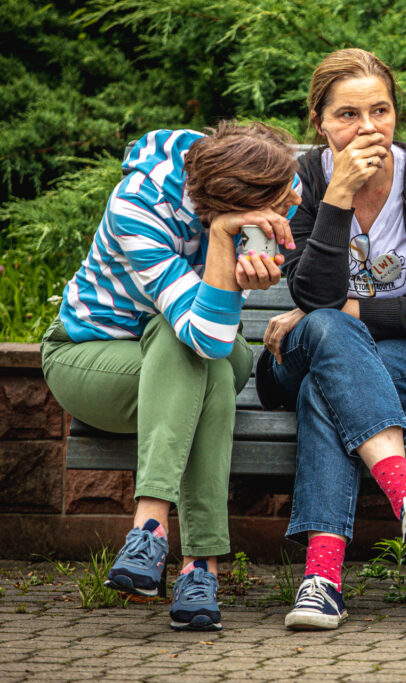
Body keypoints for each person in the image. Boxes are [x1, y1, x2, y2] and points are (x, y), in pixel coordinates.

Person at [41, 122, 302, 631]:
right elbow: (202, 337)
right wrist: (225, 240)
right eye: (277, 203)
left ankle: (149, 538)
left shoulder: (270, 183)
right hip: (90, 354)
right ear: (225, 207)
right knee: (185, 346)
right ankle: (197, 564)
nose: (288, 204)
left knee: (203, 360)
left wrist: (240, 247)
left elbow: (211, 334)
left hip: (192, 353)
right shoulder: (137, 206)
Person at [254, 48, 406, 631]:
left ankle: (322, 581)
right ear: (319, 121)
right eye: (348, 114)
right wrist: (338, 196)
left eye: (381, 110)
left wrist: (332, 311)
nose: (368, 127)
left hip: (403, 361)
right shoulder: (305, 180)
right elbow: (310, 292)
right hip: (290, 360)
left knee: (327, 383)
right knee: (326, 332)